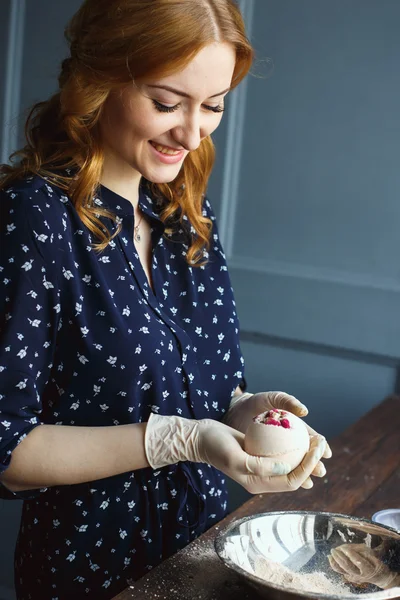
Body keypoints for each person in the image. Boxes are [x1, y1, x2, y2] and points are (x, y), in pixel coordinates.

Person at [0, 0, 331, 598]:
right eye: (166, 102)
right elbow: (6, 448)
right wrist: (176, 439)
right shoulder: (34, 219)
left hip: (204, 556)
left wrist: (245, 415)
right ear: (99, 82)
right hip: (88, 573)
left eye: (213, 106)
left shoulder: (185, 216)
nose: (191, 132)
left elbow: (202, 387)